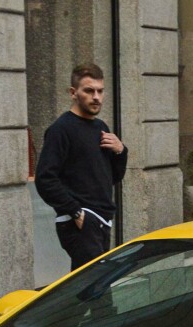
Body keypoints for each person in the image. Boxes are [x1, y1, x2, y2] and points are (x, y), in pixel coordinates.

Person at [35, 62, 128, 272]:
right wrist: (76, 212)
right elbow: (45, 179)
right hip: (81, 221)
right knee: (98, 290)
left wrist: (121, 151)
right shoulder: (61, 129)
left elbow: (111, 177)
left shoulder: (101, 128)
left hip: (102, 219)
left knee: (88, 290)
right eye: (89, 90)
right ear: (73, 93)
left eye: (100, 91)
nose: (96, 97)